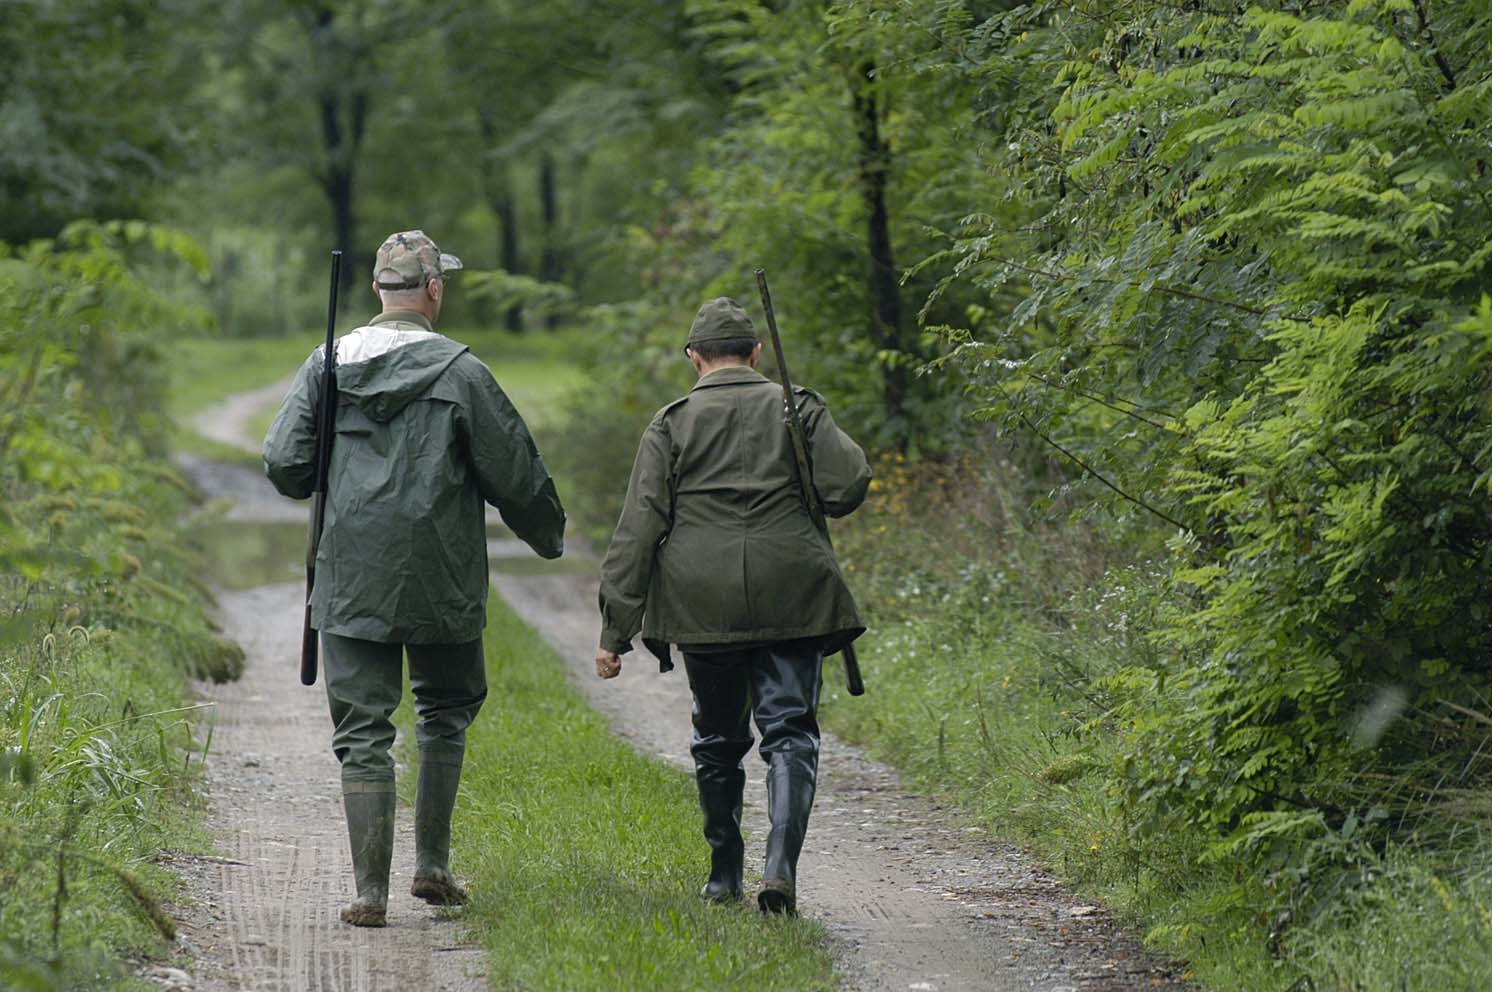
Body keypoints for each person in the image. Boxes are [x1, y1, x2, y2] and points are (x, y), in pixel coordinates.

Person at [263, 230, 566, 927]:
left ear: (378, 290)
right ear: (432, 290)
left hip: (351, 575)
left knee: (363, 729)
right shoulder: (461, 371)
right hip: (442, 576)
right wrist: (548, 537)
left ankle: (369, 893)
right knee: (444, 708)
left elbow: (284, 462)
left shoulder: (327, 364)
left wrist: (331, 479)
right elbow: (514, 473)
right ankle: (432, 865)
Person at [594, 296, 870, 915]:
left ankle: (724, 876)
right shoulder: (797, 407)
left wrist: (615, 630)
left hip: (701, 602)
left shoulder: (671, 423)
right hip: (794, 591)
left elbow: (639, 528)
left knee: (717, 739)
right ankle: (780, 868)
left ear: (695, 358)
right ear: (755, 352)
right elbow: (848, 486)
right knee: (791, 731)